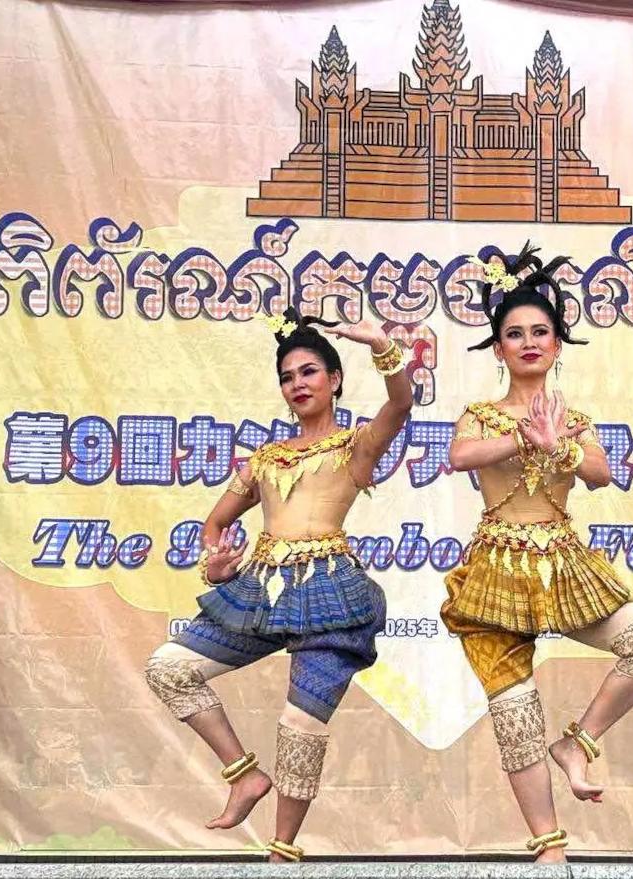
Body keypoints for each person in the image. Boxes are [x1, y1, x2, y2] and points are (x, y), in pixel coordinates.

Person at [143, 307, 412, 862]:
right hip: (261, 593)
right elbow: (215, 525)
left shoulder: (355, 447)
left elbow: (400, 404)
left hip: (332, 593)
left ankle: (281, 852)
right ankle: (244, 775)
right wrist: (216, 566)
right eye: (288, 377)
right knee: (168, 668)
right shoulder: (265, 459)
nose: (298, 384)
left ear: (334, 379)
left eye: (309, 372)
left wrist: (381, 345)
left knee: (299, 723)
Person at [442, 243, 633, 862]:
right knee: (516, 712)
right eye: (514, 334)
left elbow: (600, 473)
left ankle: (579, 742)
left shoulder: (574, 419)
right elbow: (461, 457)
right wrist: (524, 437)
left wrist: (558, 444)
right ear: (498, 349)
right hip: (496, 569)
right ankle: (549, 850)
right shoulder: (481, 415)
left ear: (556, 345)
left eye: (539, 332)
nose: (528, 342)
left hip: (565, 566)